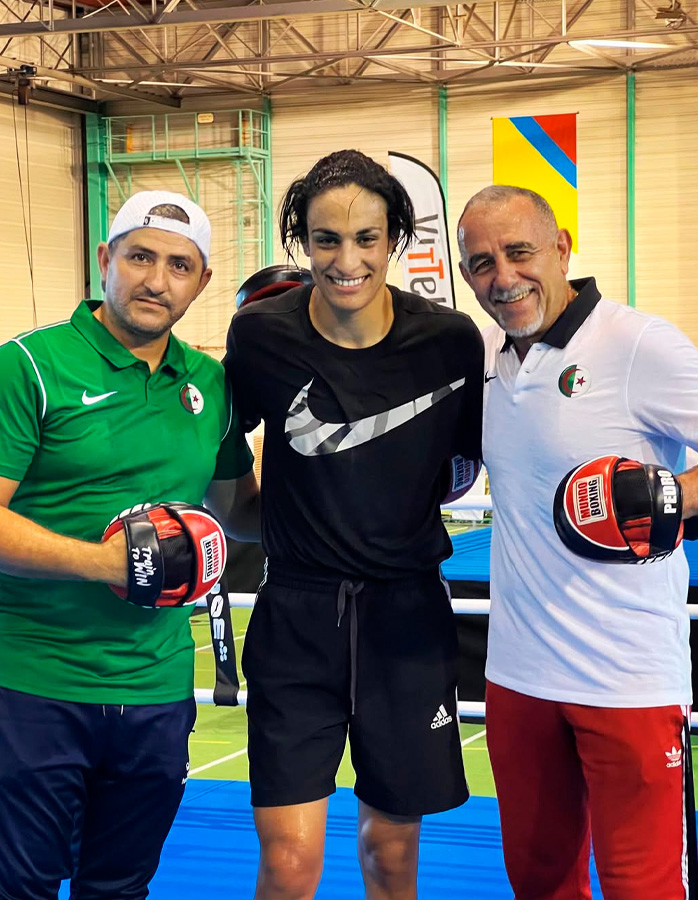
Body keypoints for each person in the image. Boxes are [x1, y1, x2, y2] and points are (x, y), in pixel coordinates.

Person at [225, 149, 484, 900]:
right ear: (302, 241)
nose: (347, 260)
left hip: (406, 619)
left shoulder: (449, 340)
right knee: (288, 863)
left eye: (367, 238)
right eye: (326, 239)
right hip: (296, 617)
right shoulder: (260, 336)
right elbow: (218, 449)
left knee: (390, 856)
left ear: (395, 238)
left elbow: (461, 465)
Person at [0, 190, 259, 900]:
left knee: (118, 888)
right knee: (18, 885)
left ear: (201, 283)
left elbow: (245, 514)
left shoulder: (209, 384)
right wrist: (106, 564)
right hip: (32, 685)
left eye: (180, 265)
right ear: (105, 259)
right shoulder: (28, 366)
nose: (156, 280)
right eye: (140, 257)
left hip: (155, 690)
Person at [457, 183, 698, 900]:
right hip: (518, 679)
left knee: (643, 888)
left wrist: (671, 497)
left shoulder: (636, 345)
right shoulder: (490, 356)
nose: (503, 278)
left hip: (626, 679)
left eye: (520, 251)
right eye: (481, 263)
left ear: (562, 246)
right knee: (540, 883)